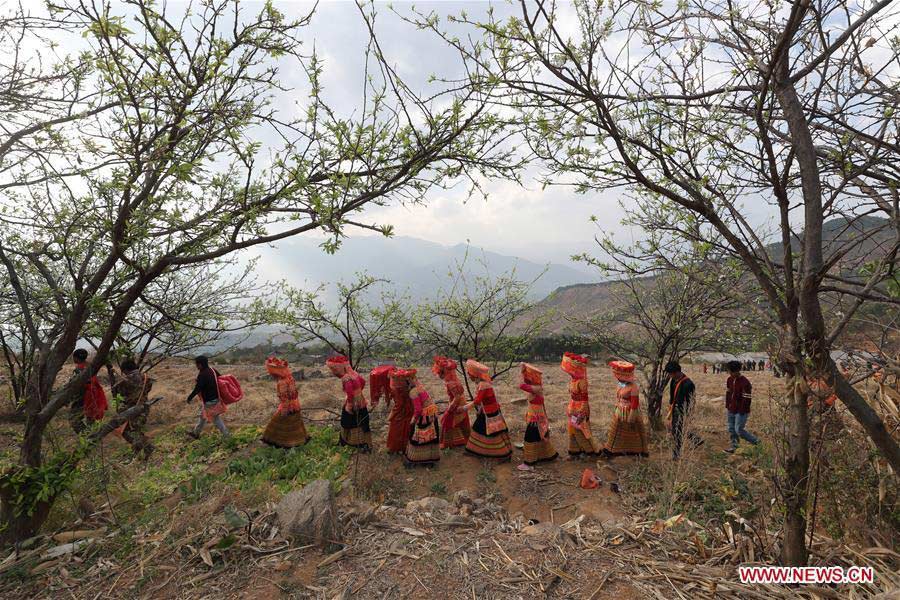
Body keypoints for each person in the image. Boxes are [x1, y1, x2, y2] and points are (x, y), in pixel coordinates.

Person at [463, 359, 512, 459]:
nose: (469, 376)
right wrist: (480, 410)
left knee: (489, 431)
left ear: (476, 375)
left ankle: (501, 454)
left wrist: (464, 408)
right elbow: (483, 401)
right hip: (490, 410)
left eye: (470, 374)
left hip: (490, 412)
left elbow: (477, 401)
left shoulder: (483, 385)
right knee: (489, 430)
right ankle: (485, 451)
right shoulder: (484, 383)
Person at [261, 356, 309, 448]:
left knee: (278, 424)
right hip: (295, 405)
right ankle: (297, 442)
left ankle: (284, 444)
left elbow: (285, 398)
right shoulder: (290, 378)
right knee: (294, 425)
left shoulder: (282, 382)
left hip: (288, 407)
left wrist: (284, 411)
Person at [111, 358, 154, 459]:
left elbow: (117, 393)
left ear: (125, 369)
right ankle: (140, 450)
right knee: (136, 430)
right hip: (144, 407)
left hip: (132, 410)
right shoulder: (146, 377)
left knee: (127, 431)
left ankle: (145, 448)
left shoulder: (125, 380)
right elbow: (147, 390)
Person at [604, 360, 649, 457]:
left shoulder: (633, 387)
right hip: (620, 411)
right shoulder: (621, 385)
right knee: (616, 431)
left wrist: (631, 419)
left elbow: (634, 405)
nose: (619, 379)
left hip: (628, 413)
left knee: (631, 432)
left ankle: (634, 452)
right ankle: (613, 450)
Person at [326, 355, 370, 450]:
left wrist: (349, 406)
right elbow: (363, 381)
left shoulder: (346, 378)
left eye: (333, 369)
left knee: (347, 421)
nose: (333, 372)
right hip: (361, 401)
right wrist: (358, 392)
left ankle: (347, 442)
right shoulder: (354, 374)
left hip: (353, 403)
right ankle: (364, 443)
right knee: (362, 421)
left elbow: (349, 393)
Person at [561, 352, 601, 457]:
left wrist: (581, 412)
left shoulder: (582, 381)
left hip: (580, 407)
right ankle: (575, 451)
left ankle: (589, 451)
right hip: (573, 405)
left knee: (581, 428)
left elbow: (584, 399)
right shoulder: (573, 379)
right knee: (572, 428)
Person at [519, 363, 557, 469]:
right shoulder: (536, 387)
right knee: (539, 438)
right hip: (536, 417)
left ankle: (529, 463)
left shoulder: (536, 388)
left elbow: (521, 385)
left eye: (528, 375)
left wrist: (521, 372)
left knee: (530, 439)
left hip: (536, 419)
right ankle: (548, 456)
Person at [369, 365, 415, 453]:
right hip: (409, 410)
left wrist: (391, 416)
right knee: (406, 429)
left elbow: (399, 405)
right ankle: (405, 447)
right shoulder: (403, 384)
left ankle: (397, 448)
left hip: (401, 413)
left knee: (396, 430)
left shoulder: (396, 388)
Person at [665, 360, 703, 459]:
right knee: (677, 429)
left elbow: (692, 401)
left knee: (677, 432)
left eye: (670, 374)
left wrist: (689, 414)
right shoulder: (673, 380)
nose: (669, 376)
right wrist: (670, 409)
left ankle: (677, 453)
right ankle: (696, 440)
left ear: (677, 372)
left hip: (683, 410)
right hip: (674, 409)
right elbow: (672, 395)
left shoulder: (688, 384)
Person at [186, 355, 230, 439]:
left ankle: (227, 436)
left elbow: (198, 388)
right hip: (216, 398)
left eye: (196, 364)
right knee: (203, 416)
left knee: (215, 418)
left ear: (200, 365)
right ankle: (196, 433)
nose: (196, 366)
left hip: (210, 401)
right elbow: (220, 378)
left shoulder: (202, 374)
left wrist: (190, 397)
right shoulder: (212, 370)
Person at [404, 370, 441, 467]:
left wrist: (413, 420)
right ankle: (430, 460)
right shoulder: (420, 387)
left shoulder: (413, 392)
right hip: (432, 414)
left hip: (425, 416)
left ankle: (415, 460)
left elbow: (418, 410)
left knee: (417, 437)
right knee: (431, 437)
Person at [433, 356, 470, 449]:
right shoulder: (454, 380)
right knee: (462, 422)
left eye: (440, 372)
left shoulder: (450, 383)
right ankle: (463, 441)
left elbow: (457, 397)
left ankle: (449, 444)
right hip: (462, 402)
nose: (439, 375)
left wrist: (450, 408)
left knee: (447, 422)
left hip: (457, 404)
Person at [69, 348, 108, 434]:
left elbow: (74, 385)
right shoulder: (90, 367)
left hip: (83, 397)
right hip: (93, 395)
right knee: (90, 419)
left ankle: (87, 437)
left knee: (74, 419)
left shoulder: (78, 369)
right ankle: (92, 437)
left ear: (76, 358)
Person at [724, 360, 759, 453]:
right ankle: (734, 446)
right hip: (731, 409)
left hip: (741, 411)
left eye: (731, 372)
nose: (729, 373)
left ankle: (757, 442)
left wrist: (741, 411)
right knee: (731, 429)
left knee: (739, 430)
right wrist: (728, 405)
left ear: (737, 371)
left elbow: (747, 400)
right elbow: (728, 393)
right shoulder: (729, 380)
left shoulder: (745, 382)